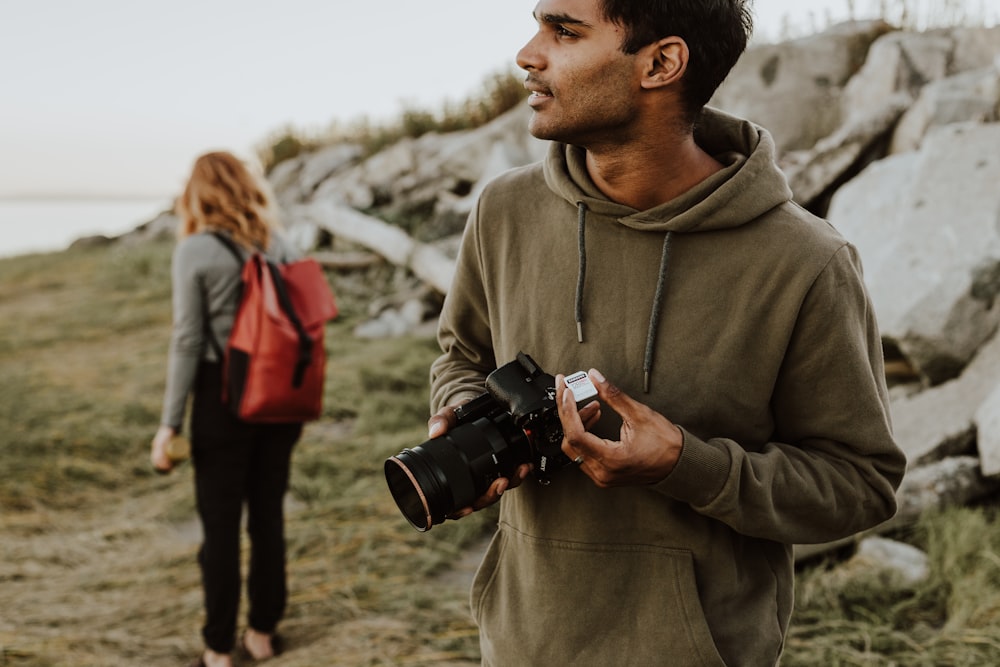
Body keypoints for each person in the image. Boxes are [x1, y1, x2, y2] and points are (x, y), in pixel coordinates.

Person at [426, 1, 907, 665]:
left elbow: (860, 483)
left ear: (661, 63)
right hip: (519, 645)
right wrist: (464, 415)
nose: (528, 54)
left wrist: (688, 464)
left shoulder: (804, 262)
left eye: (564, 30)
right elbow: (461, 355)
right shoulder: (505, 211)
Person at [150, 151, 301, 667]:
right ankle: (262, 633)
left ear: (197, 193)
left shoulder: (196, 250)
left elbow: (188, 340)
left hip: (224, 398)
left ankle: (218, 648)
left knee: (219, 529)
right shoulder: (279, 243)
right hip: (281, 396)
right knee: (267, 520)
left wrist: (169, 424)